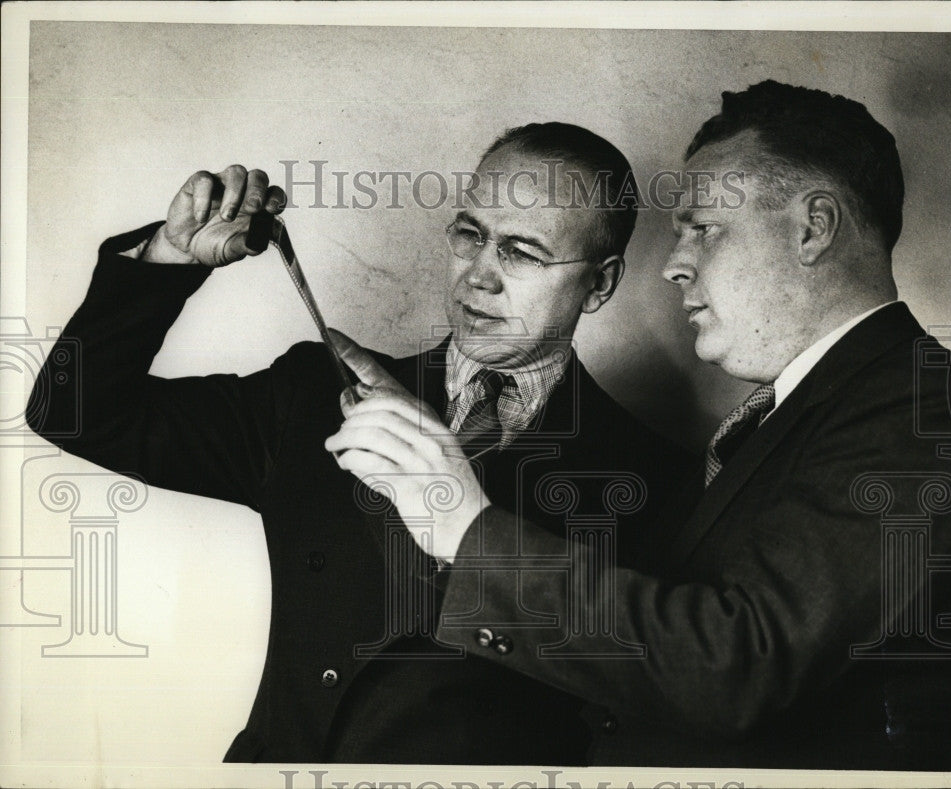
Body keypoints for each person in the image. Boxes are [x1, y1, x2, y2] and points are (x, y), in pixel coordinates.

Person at [327, 82, 951, 769]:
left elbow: (740, 665)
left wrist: (466, 526)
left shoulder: (925, 400)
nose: (673, 264)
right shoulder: (813, 410)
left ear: (813, 227)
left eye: (703, 228)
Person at [27, 122, 698, 764]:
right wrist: (170, 259)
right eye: (471, 235)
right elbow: (75, 410)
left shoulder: (656, 480)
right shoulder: (310, 393)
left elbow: (653, 698)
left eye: (522, 252)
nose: (479, 276)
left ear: (600, 283)